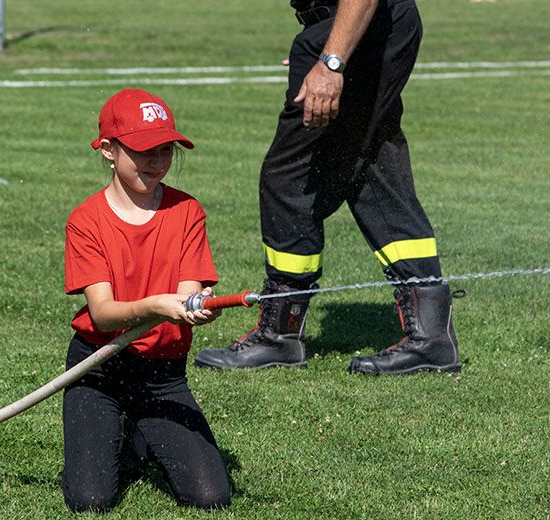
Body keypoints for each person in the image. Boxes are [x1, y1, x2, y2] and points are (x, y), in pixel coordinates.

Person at [194, 0, 461, 375]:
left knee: (289, 175)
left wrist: (331, 61)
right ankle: (431, 336)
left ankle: (280, 334)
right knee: (372, 172)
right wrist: (323, 44)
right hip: (355, 31)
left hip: (361, 29)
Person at [61, 88, 231, 512]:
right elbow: (102, 315)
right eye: (143, 151)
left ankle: (141, 431)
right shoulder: (86, 221)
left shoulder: (187, 211)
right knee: (90, 500)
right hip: (99, 367)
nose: (157, 162)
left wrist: (198, 308)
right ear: (107, 150)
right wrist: (158, 304)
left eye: (166, 150)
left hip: (162, 374)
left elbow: (189, 297)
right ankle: (111, 430)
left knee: (210, 497)